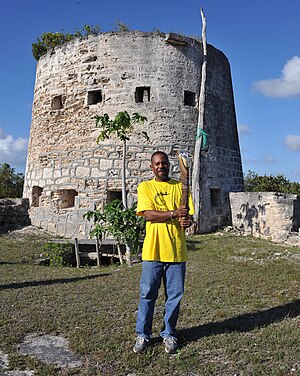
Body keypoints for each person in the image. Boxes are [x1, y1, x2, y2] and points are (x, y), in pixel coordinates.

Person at [133, 151, 194, 354]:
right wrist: (173, 213)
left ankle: (168, 333)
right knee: (147, 294)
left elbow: (188, 217)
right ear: (152, 167)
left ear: (170, 165)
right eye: (157, 164)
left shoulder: (180, 187)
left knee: (174, 296)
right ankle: (143, 335)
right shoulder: (146, 187)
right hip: (153, 251)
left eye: (164, 163)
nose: (161, 166)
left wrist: (186, 220)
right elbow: (148, 215)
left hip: (176, 251)